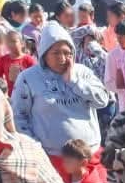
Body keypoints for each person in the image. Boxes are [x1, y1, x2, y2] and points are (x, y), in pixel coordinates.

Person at [13, 22, 112, 155]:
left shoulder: (83, 72)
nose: (63, 58)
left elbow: (102, 101)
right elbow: (19, 116)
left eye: (67, 53)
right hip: (49, 157)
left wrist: (74, 82)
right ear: (44, 54)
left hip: (88, 154)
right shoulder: (28, 78)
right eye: (56, 53)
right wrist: (34, 147)